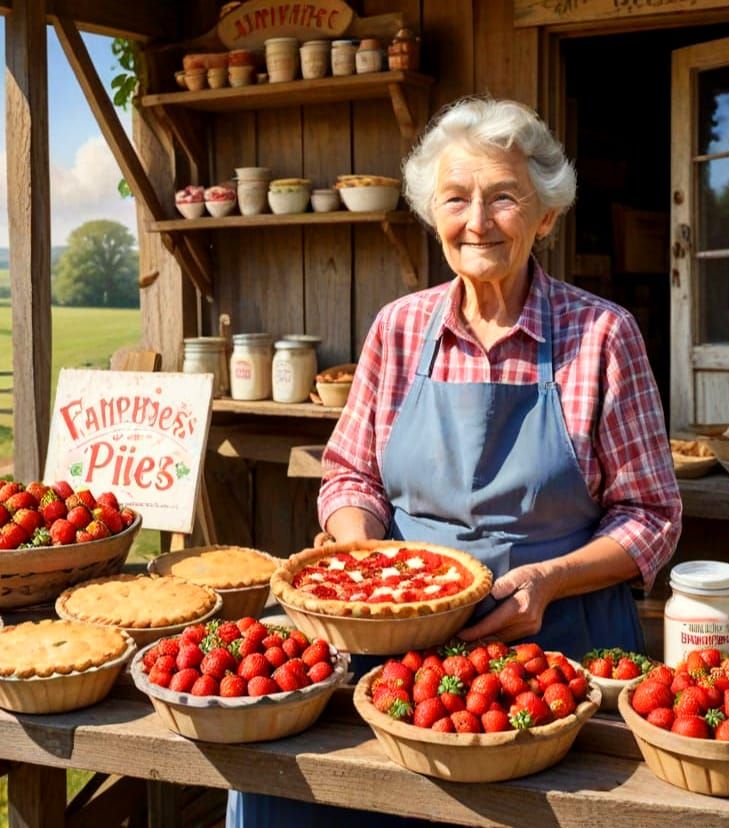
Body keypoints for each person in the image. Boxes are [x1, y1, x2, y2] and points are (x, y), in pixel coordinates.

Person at [227, 96, 681, 827]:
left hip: (553, 649)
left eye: (504, 197)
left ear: (545, 217)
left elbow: (650, 515)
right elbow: (350, 472)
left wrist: (548, 580)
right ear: (430, 213)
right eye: (455, 198)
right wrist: (362, 562)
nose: (477, 221)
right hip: (395, 644)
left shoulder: (601, 335)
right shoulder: (399, 328)